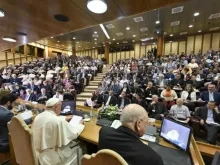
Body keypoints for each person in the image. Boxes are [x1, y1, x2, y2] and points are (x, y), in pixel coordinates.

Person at [98, 104, 164, 165]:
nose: (147, 125)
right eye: (147, 122)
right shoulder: (154, 159)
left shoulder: (104, 132)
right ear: (138, 124)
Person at [32, 98, 85, 165]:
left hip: (37, 154)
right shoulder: (58, 121)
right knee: (81, 146)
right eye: (60, 106)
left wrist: (65, 118)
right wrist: (80, 125)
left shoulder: (39, 116)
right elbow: (73, 133)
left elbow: (51, 118)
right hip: (51, 158)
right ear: (56, 106)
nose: (61, 108)